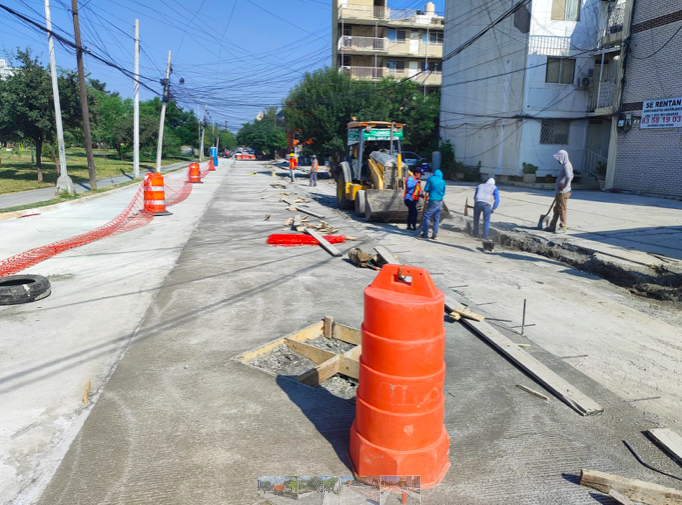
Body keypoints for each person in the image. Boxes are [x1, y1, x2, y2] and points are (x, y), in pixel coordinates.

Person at [546, 149, 574, 234]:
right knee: (556, 209)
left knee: (562, 209)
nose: (558, 160)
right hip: (559, 191)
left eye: (559, 158)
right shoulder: (564, 165)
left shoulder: (566, 165)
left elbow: (569, 177)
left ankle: (563, 227)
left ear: (563, 157)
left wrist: (564, 186)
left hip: (563, 192)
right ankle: (552, 226)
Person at [420, 168, 446, 240]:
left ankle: (425, 234)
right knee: (436, 218)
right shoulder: (443, 181)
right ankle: (435, 235)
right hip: (440, 202)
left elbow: (426, 189)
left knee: (426, 217)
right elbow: (443, 193)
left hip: (432, 201)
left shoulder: (430, 179)